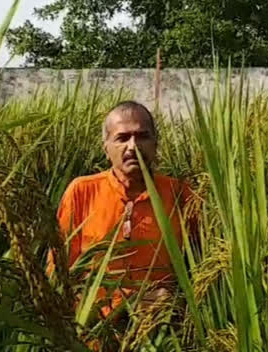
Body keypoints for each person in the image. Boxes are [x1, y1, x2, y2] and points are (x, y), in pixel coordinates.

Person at [49, 100, 195, 321]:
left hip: (161, 329)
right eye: (122, 138)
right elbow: (58, 272)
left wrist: (176, 301)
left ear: (156, 144)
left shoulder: (179, 194)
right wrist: (119, 304)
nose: (133, 146)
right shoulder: (82, 192)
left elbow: (199, 268)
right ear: (106, 147)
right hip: (94, 329)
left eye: (143, 136)